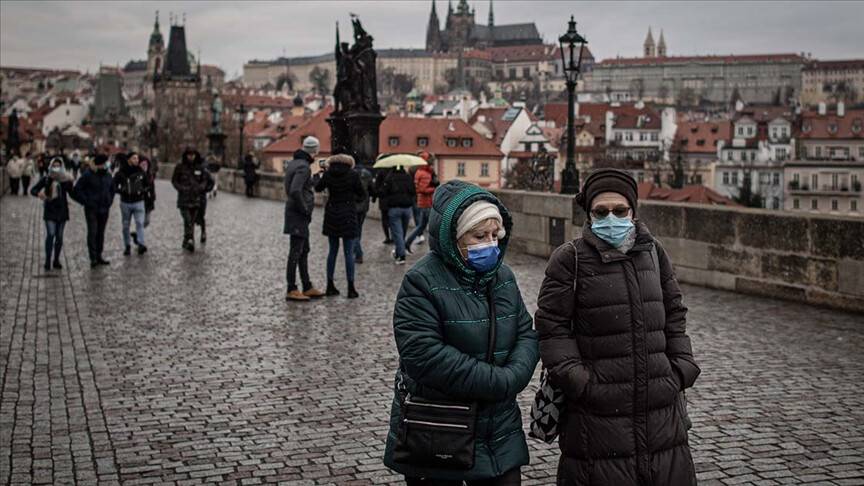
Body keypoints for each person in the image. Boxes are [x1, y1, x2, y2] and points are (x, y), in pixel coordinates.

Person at [535, 168, 700, 486]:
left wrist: (680, 369)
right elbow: (552, 327)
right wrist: (582, 383)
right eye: (601, 211)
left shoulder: (654, 252)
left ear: (633, 211)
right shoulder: (570, 259)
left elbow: (674, 313)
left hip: (660, 410)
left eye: (620, 210)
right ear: (590, 214)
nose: (611, 217)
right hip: (596, 416)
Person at [383, 180, 539, 485]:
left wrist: (516, 375)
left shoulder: (503, 277)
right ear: (453, 237)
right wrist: (499, 381)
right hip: (440, 427)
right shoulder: (421, 281)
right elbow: (424, 355)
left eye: (495, 235)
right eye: (479, 236)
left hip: (499, 427)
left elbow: (525, 332)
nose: (490, 244)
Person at [314, 154, 366, 298]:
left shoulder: (329, 174)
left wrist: (318, 177)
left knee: (332, 251)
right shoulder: (353, 175)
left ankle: (330, 285)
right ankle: (351, 287)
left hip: (332, 213)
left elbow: (318, 188)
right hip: (348, 214)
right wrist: (350, 199)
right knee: (349, 253)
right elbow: (362, 194)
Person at [283, 136, 325, 301]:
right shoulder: (304, 167)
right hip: (298, 214)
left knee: (303, 250)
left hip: (296, 213)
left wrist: (315, 179)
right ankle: (292, 288)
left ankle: (307, 286)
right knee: (295, 252)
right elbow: (295, 190)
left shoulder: (296, 164)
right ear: (314, 150)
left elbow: (302, 186)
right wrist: (305, 209)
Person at [30, 157, 74, 270]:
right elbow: (33, 190)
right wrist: (39, 194)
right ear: (51, 166)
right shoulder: (46, 179)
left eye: (58, 165)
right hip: (50, 210)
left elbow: (73, 192)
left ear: (62, 166)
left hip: (62, 211)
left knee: (59, 237)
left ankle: (56, 260)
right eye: (54, 165)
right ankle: (47, 260)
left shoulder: (65, 180)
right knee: (51, 234)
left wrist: (72, 182)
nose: (56, 167)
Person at [71, 154, 115, 267]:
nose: (107, 164)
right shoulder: (88, 175)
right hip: (92, 209)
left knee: (101, 233)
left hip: (104, 208)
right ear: (99, 164)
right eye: (105, 163)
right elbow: (76, 190)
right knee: (92, 232)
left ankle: (99, 255)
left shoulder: (108, 175)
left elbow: (112, 190)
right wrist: (86, 201)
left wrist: (109, 201)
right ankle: (93, 257)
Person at [171, 148, 211, 252]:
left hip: (195, 199)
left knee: (191, 221)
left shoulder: (200, 168)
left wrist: (201, 187)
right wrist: (181, 188)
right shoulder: (180, 167)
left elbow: (205, 180)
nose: (191, 157)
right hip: (184, 199)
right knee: (188, 220)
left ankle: (187, 240)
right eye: (189, 155)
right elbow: (174, 180)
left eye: (193, 155)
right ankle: (190, 240)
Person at [113, 152, 149, 256]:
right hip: (125, 202)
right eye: (134, 158)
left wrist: (142, 190)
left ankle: (141, 244)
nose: (137, 160)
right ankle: (127, 245)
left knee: (139, 223)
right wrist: (120, 190)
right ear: (129, 159)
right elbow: (114, 185)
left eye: (137, 158)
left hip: (139, 201)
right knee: (125, 225)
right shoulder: (121, 172)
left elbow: (147, 184)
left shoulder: (141, 172)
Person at [381, 166, 416, 264]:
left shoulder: (390, 177)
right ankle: (398, 252)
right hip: (407, 208)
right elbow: (413, 191)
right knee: (402, 233)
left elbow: (383, 192)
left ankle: (401, 256)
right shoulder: (408, 177)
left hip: (394, 208)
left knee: (397, 234)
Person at [404, 153, 437, 253]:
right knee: (434, 227)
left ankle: (407, 243)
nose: (432, 164)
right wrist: (434, 188)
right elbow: (422, 189)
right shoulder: (424, 173)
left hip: (424, 203)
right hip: (426, 203)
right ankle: (435, 250)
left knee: (421, 226)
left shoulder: (421, 171)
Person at [353, 163, 374, 264]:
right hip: (364, 206)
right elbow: (372, 189)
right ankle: (355, 247)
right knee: (359, 229)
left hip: (352, 206)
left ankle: (358, 253)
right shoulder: (367, 174)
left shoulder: (351, 174)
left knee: (353, 232)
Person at [373, 168, 393, 244]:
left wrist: (374, 198)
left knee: (384, 219)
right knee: (392, 219)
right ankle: (393, 236)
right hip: (393, 199)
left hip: (383, 199)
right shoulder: (393, 171)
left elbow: (376, 186)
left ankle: (387, 237)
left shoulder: (381, 172)